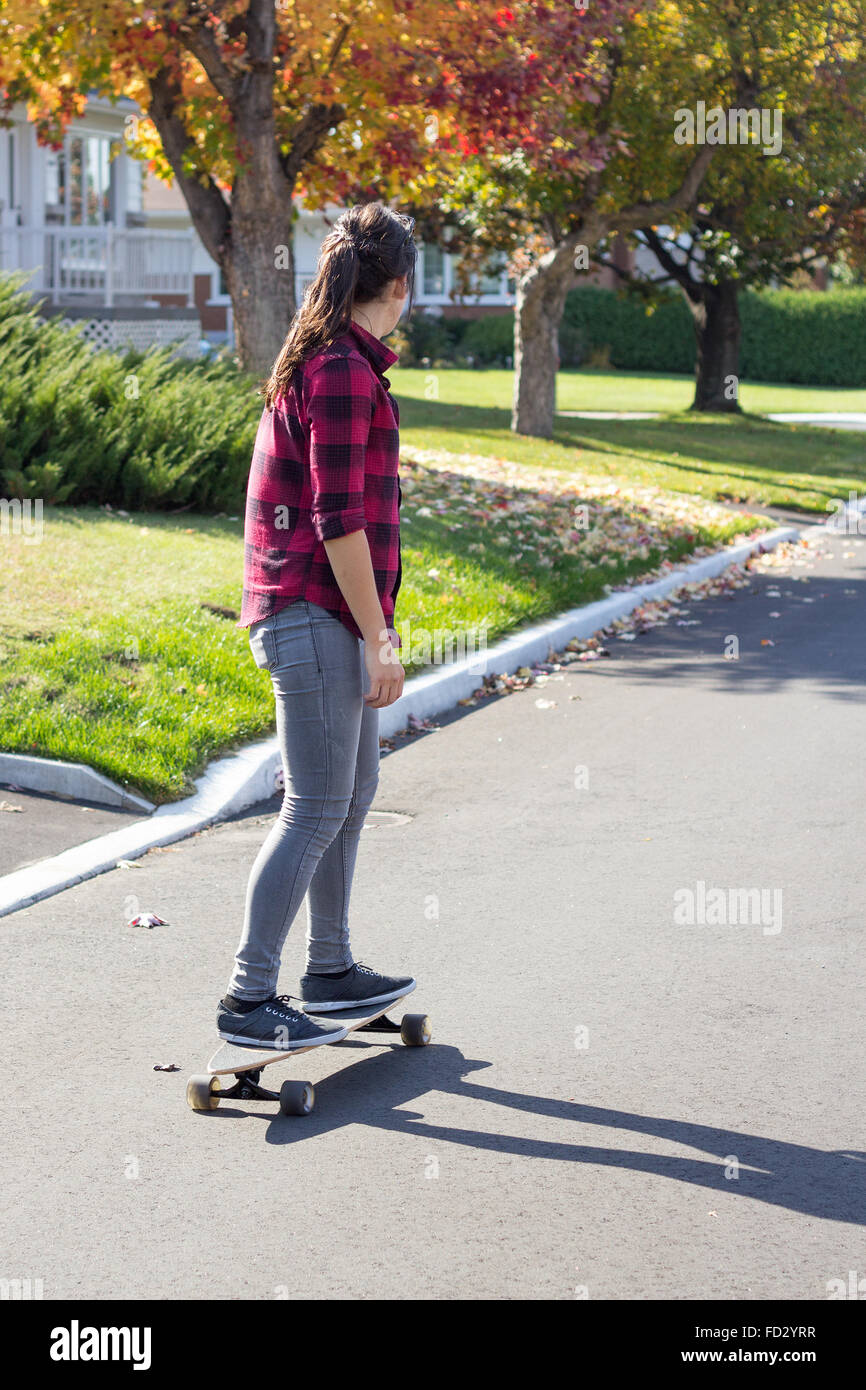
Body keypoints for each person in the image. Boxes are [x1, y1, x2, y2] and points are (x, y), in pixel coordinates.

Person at [217, 202, 418, 1051]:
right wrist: (379, 638)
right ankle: (248, 997)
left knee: (352, 793)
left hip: (321, 611)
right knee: (316, 804)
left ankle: (329, 969)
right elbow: (339, 523)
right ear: (400, 286)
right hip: (314, 612)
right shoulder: (339, 371)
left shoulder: (341, 362)